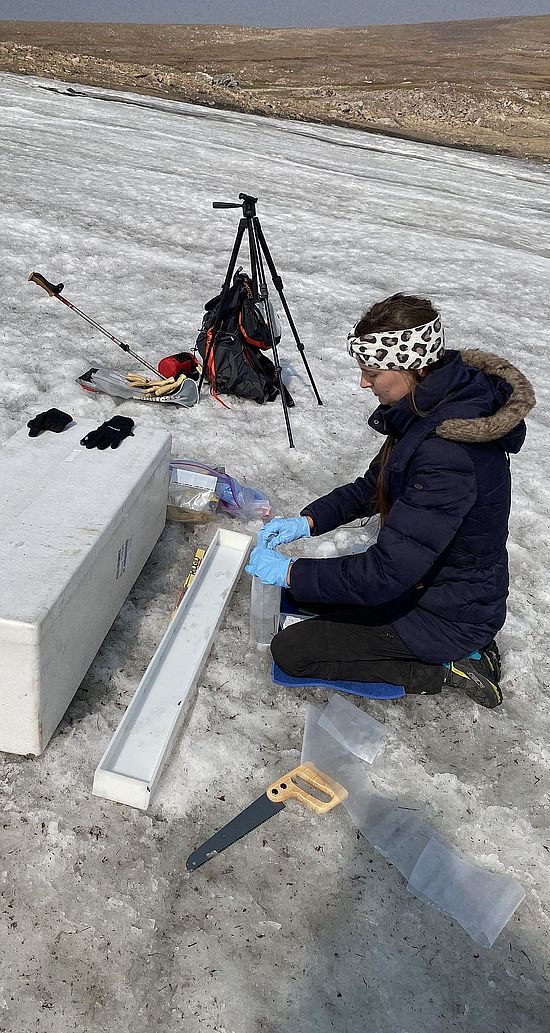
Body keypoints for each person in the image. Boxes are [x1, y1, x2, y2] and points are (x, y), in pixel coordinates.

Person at [245, 293, 535, 708]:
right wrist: (306, 522)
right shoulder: (426, 410)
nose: (363, 383)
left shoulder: (448, 452)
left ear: (412, 367)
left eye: (372, 372)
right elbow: (372, 487)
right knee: (300, 596)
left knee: (293, 651)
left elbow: (384, 574)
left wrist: (290, 570)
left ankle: (449, 667)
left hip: (446, 614)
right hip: (428, 585)